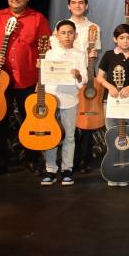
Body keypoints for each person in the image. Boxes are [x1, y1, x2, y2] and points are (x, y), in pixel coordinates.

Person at [0, 0, 51, 177]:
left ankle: (32, 160)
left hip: (27, 79)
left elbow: (47, 46)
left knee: (30, 119)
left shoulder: (38, 19)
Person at [50, 0, 102, 173]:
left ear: (86, 6)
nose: (78, 5)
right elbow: (55, 52)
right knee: (65, 119)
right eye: (74, 2)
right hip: (64, 77)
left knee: (87, 115)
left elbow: (94, 51)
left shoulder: (93, 27)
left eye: (81, 2)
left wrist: (92, 56)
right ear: (68, 5)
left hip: (85, 72)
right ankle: (61, 160)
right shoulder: (60, 25)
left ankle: (83, 158)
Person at [96, 24, 129, 186]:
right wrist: (110, 87)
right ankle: (112, 168)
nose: (125, 41)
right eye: (122, 38)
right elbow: (100, 77)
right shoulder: (109, 55)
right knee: (112, 133)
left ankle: (125, 167)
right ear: (115, 39)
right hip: (111, 101)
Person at [41, 20, 87, 186]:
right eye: (63, 33)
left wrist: (78, 75)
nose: (67, 36)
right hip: (51, 98)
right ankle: (50, 169)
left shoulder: (80, 54)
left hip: (70, 100)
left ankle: (67, 169)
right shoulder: (50, 54)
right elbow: (44, 76)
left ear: (75, 35)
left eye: (70, 32)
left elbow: (85, 79)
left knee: (69, 136)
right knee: (51, 134)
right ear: (57, 35)